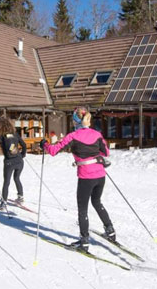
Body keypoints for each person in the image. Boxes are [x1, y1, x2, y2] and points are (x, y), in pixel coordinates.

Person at [40, 107, 115, 252]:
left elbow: (53, 151)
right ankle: (110, 231)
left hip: (86, 176)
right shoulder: (97, 134)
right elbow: (106, 152)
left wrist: (44, 144)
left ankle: (84, 242)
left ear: (75, 121)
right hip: (100, 175)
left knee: (83, 209)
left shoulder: (72, 136)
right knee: (97, 202)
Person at [0, 117, 27, 210]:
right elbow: (24, 145)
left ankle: (3, 203)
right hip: (20, 161)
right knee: (17, 178)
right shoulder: (15, 134)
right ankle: (20, 197)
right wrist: (23, 154)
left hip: (9, 162)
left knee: (6, 182)